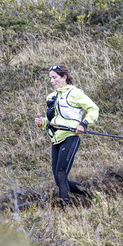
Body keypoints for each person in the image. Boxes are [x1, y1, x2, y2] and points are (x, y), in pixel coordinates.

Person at [35, 64, 99, 207]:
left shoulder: (75, 92)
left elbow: (93, 109)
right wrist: (42, 122)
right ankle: (93, 196)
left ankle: (64, 210)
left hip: (70, 136)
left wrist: (84, 124)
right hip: (55, 139)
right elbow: (53, 120)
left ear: (64, 77)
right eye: (50, 78)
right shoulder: (51, 97)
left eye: (55, 77)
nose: (52, 81)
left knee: (62, 174)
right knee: (59, 180)